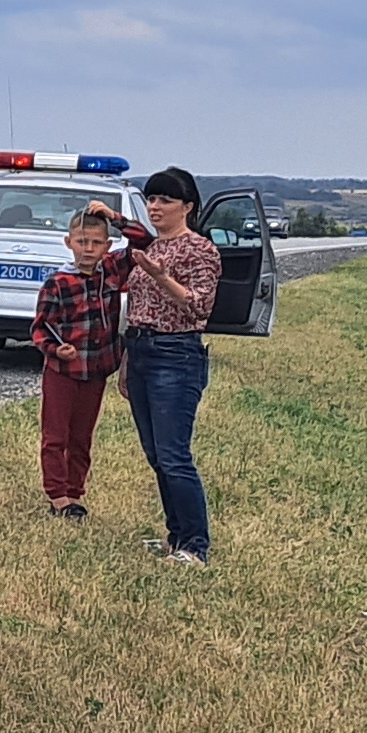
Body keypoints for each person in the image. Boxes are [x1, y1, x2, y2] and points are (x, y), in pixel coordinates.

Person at [117, 167, 222, 563]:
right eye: (151, 199)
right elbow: (138, 309)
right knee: (156, 454)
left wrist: (161, 277)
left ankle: (195, 545)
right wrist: (127, 361)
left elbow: (199, 305)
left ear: (188, 207)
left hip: (176, 354)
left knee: (175, 455)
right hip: (142, 350)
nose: (155, 207)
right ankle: (176, 535)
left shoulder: (199, 249)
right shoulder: (155, 247)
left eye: (165, 200)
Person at [31, 202, 129, 518]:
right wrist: (55, 349)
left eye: (96, 243)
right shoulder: (58, 282)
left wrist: (115, 217)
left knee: (82, 436)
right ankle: (57, 495)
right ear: (69, 242)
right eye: (81, 242)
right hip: (63, 370)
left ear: (108, 245)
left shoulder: (113, 271)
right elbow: (40, 327)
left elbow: (145, 241)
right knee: (56, 434)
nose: (88, 249)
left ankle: (75, 491)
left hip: (97, 369)